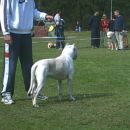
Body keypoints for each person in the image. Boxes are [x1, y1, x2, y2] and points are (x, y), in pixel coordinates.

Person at [0, 0, 53, 105]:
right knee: (10, 65)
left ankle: (32, 91)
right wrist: (6, 32)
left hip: (26, 35)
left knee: (29, 66)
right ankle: (6, 93)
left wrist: (44, 16)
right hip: (12, 34)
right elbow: (3, 12)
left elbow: (33, 12)